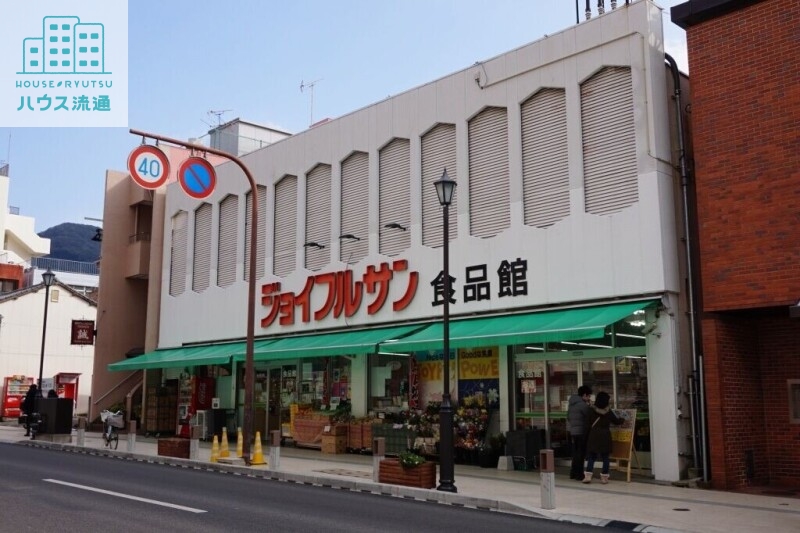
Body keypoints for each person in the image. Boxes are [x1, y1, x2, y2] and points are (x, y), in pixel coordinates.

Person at [583, 391, 623, 484]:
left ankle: (588, 476)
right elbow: (616, 421)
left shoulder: (591, 410)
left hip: (593, 435)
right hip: (605, 435)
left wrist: (586, 435)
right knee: (605, 457)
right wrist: (623, 419)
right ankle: (604, 477)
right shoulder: (608, 412)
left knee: (592, 456)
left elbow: (586, 424)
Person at [566, 385, 593, 480]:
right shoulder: (583, 405)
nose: (589, 398)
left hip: (573, 432)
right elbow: (589, 416)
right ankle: (579, 474)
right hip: (581, 432)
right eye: (589, 396)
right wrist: (589, 406)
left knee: (576, 454)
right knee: (581, 454)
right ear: (584, 395)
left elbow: (568, 417)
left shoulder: (571, 404)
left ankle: (573, 473)